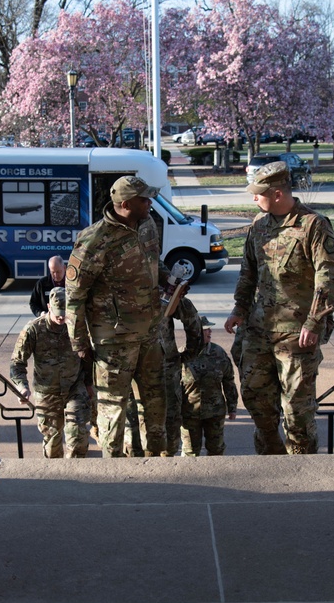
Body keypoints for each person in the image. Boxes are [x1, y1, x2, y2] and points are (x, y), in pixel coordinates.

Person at [224, 161, 334, 455]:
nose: (254, 199)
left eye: (258, 193)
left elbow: (328, 278)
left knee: (297, 413)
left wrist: (315, 322)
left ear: (277, 194)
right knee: (256, 401)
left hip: (296, 335)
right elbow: (247, 272)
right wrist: (238, 309)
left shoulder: (313, 225)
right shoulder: (259, 225)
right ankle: (271, 461)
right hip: (258, 330)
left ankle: (301, 470)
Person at [66, 175, 170, 457]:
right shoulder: (93, 240)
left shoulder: (147, 225)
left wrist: (168, 277)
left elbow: (152, 260)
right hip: (114, 341)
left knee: (157, 402)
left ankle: (158, 460)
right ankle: (113, 466)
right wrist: (79, 343)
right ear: (125, 204)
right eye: (144, 199)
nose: (150, 202)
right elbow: (74, 297)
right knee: (113, 408)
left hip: (149, 333)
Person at [10, 287, 92, 458]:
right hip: (47, 391)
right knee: (52, 440)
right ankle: (57, 478)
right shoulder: (33, 330)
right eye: (58, 314)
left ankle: (77, 473)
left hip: (74, 387)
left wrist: (89, 384)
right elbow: (17, 363)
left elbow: (88, 356)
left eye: (65, 313)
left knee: (78, 435)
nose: (62, 318)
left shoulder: (77, 326)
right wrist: (21, 386)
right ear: (48, 307)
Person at [124, 292, 203, 457]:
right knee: (152, 417)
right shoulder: (157, 283)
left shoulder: (119, 282)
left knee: (140, 416)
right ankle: (156, 457)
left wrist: (189, 352)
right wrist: (191, 352)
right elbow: (190, 315)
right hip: (152, 364)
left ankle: (149, 458)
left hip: (138, 365)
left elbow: (188, 312)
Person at [180, 316, 238, 456]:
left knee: (216, 450)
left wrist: (232, 407)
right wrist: (173, 412)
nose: (210, 331)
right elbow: (173, 385)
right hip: (189, 413)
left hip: (215, 412)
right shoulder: (181, 355)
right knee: (190, 452)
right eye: (206, 329)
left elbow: (228, 381)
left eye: (210, 329)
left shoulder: (218, 353)